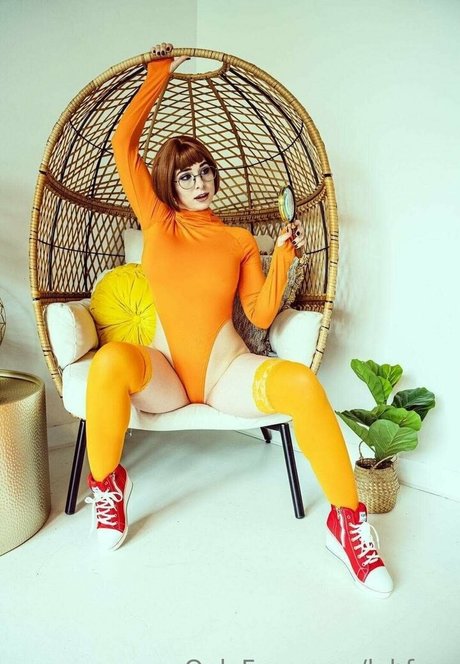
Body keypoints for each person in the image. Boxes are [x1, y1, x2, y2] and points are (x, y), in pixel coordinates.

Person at [84, 42, 393, 598]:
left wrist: (285, 260)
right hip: (165, 374)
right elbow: (122, 142)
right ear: (168, 184)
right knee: (108, 363)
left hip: (225, 371)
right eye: (186, 176)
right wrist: (158, 75)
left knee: (301, 383)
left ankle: (346, 524)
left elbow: (259, 313)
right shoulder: (157, 223)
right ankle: (109, 486)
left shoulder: (239, 239)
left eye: (205, 171)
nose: (199, 182)